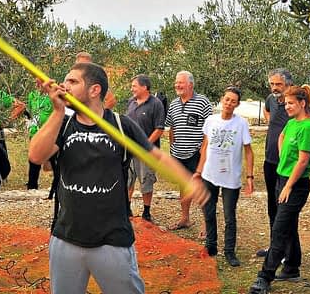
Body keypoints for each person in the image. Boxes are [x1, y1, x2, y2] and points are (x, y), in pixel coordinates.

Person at [28, 62, 209, 294]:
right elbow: (36, 155)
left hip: (112, 241)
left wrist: (188, 180)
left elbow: (157, 157)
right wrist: (57, 111)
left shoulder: (122, 126)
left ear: (95, 90)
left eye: (73, 81)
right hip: (66, 239)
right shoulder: (62, 125)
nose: (65, 85)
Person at [257, 68, 310, 257]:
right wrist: (274, 126)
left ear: (289, 85)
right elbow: (267, 111)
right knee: (273, 207)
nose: (274, 88)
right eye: (272, 84)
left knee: (286, 213)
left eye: (278, 84)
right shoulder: (272, 100)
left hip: (291, 167)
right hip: (271, 162)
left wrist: (309, 129)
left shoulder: (299, 104)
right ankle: (275, 246)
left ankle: (287, 253)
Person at [248, 85, 310, 294]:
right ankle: (291, 267)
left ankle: (264, 277)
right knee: (287, 225)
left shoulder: (308, 127)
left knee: (279, 229)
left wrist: (288, 185)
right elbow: (281, 137)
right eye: (286, 103)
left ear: (302, 103)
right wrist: (282, 158)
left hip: (295, 185)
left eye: (290, 103)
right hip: (282, 178)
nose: (286, 107)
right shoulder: (291, 123)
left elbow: (304, 160)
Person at [194, 86, 254, 267]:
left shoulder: (241, 123)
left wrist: (249, 176)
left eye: (233, 101)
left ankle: (229, 251)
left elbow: (249, 152)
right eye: (227, 99)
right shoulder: (211, 120)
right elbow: (204, 147)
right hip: (209, 174)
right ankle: (211, 246)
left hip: (231, 177)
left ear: (237, 104)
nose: (229, 103)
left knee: (229, 216)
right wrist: (198, 171)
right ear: (222, 99)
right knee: (209, 212)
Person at [164, 70, 212, 230]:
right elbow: (172, 127)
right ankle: (185, 219)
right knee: (183, 186)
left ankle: (207, 225)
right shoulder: (174, 104)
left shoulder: (203, 102)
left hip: (196, 154)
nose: (177, 85)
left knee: (201, 187)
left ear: (190, 84)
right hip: (178, 153)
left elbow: (209, 129)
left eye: (181, 82)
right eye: (176, 82)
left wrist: (203, 150)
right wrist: (172, 147)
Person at [125, 74, 165, 221]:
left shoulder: (156, 104)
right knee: (128, 179)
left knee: (146, 180)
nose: (132, 89)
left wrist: (144, 144)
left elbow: (159, 129)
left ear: (144, 87)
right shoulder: (131, 102)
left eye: (134, 86)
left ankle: (146, 212)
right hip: (129, 150)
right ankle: (127, 209)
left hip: (147, 152)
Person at [25, 85, 54, 190]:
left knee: (53, 158)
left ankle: (57, 185)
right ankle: (32, 186)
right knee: (33, 160)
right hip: (35, 132)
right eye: (36, 83)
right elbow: (30, 113)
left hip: (49, 132)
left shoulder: (52, 96)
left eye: (40, 83)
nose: (37, 85)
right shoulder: (32, 95)